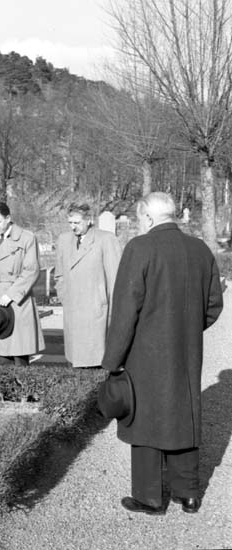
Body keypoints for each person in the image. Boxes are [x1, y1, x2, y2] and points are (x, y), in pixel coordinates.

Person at [102, 192, 223, 515]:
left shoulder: (139, 248)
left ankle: (149, 498)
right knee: (183, 414)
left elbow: (125, 310)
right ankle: (188, 494)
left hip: (145, 353)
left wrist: (113, 360)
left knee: (145, 418)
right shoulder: (200, 249)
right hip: (187, 350)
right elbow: (214, 304)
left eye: (140, 219)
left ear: (148, 217)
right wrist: (187, 330)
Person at [0, 202, 45, 366]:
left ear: (8, 218)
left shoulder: (27, 238)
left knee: (19, 355)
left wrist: (11, 295)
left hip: (17, 301)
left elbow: (31, 270)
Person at [55, 203, 122, 368]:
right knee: (75, 362)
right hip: (73, 311)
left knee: (95, 362)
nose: (73, 227)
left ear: (89, 220)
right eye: (70, 223)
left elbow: (115, 280)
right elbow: (59, 274)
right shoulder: (64, 240)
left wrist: (112, 311)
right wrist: (65, 297)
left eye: (77, 223)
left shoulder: (106, 239)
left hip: (96, 312)